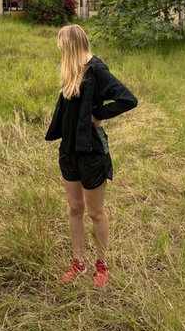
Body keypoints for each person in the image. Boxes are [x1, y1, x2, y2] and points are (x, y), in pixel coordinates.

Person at [45, 24, 137, 286]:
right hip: (69, 150)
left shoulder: (97, 70)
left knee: (96, 212)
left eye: (62, 44)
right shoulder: (71, 70)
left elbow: (128, 99)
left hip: (92, 152)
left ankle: (102, 263)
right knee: (75, 208)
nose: (59, 49)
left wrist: (99, 115)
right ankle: (78, 262)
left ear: (70, 45)